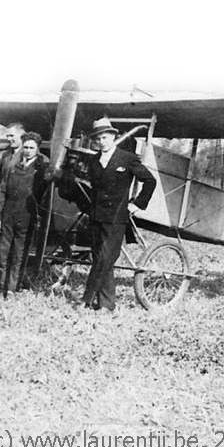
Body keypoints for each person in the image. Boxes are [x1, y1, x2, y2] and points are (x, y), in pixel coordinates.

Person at [79, 117, 156, 311]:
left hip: (116, 218)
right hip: (97, 217)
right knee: (101, 260)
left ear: (113, 137)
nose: (101, 142)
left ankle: (86, 299)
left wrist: (137, 204)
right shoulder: (94, 161)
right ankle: (106, 305)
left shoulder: (127, 158)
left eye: (105, 137)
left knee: (105, 258)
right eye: (98, 139)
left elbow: (150, 181)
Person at [0, 132, 49, 297]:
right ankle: (2, 285)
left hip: (27, 217)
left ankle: (11, 288)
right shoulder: (12, 168)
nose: (28, 151)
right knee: (2, 252)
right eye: (25, 147)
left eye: (32, 148)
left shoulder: (40, 171)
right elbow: (1, 191)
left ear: (37, 150)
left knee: (19, 254)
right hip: (7, 216)